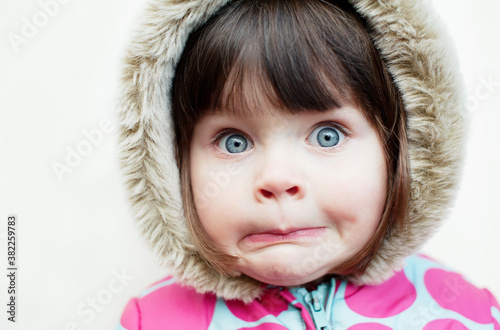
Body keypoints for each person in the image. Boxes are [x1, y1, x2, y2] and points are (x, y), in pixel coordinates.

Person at [116, 0, 500, 329]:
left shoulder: (463, 314)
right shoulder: (152, 321)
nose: (277, 179)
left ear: (400, 152)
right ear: (170, 164)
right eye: (234, 142)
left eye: (327, 135)